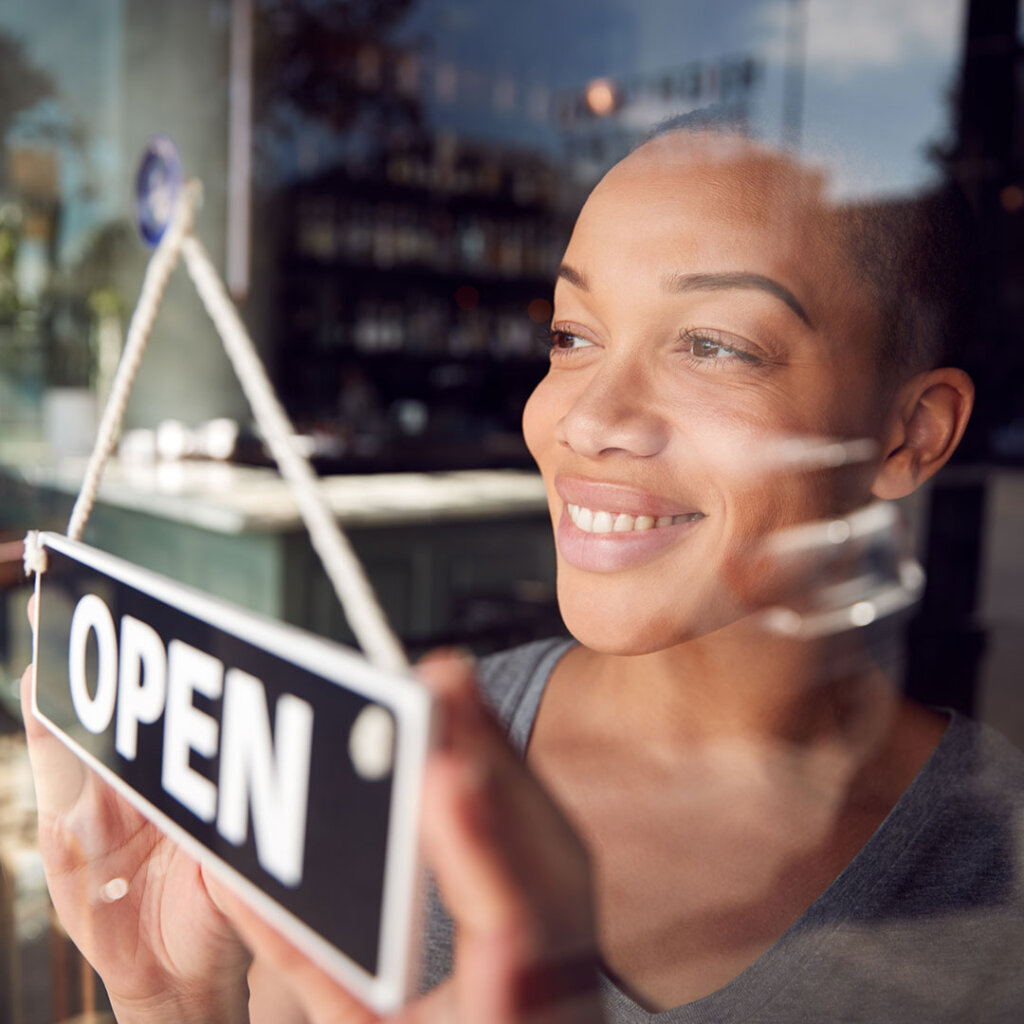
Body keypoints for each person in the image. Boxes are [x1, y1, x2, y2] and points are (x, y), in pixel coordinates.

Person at [20, 128, 1024, 1023]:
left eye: (712, 344)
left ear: (911, 431)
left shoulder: (997, 884)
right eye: (571, 336)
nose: (582, 418)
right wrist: (173, 1001)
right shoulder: (388, 765)